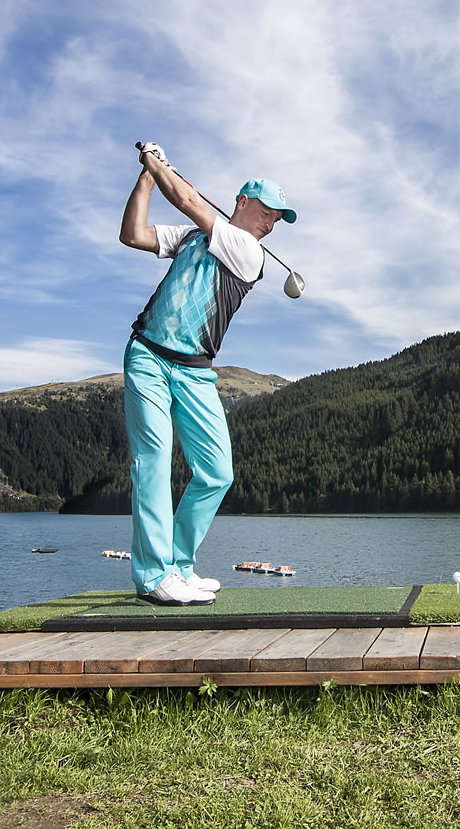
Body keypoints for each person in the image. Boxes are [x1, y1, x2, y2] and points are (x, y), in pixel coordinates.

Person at [117, 142, 296, 605]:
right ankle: (155, 576)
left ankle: (177, 563)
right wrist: (147, 178)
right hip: (149, 357)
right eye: (267, 211)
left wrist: (159, 167)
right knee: (153, 463)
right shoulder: (194, 237)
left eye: (278, 217)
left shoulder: (247, 252)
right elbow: (133, 234)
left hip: (196, 372)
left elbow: (190, 201)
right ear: (242, 202)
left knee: (216, 473)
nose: (271, 222)